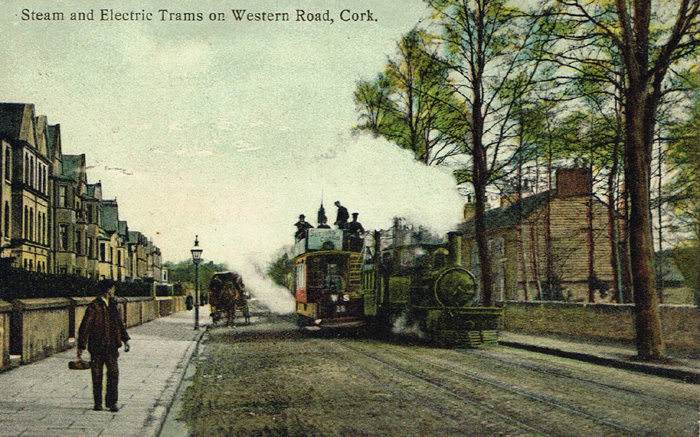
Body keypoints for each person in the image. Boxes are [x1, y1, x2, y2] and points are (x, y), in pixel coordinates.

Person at [77, 280, 130, 413]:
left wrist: (125, 339)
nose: (113, 291)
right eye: (112, 288)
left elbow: (119, 323)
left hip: (112, 345)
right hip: (97, 346)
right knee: (97, 375)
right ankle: (98, 403)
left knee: (113, 373)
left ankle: (112, 403)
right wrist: (81, 346)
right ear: (107, 290)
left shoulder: (113, 305)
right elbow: (85, 327)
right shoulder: (94, 306)